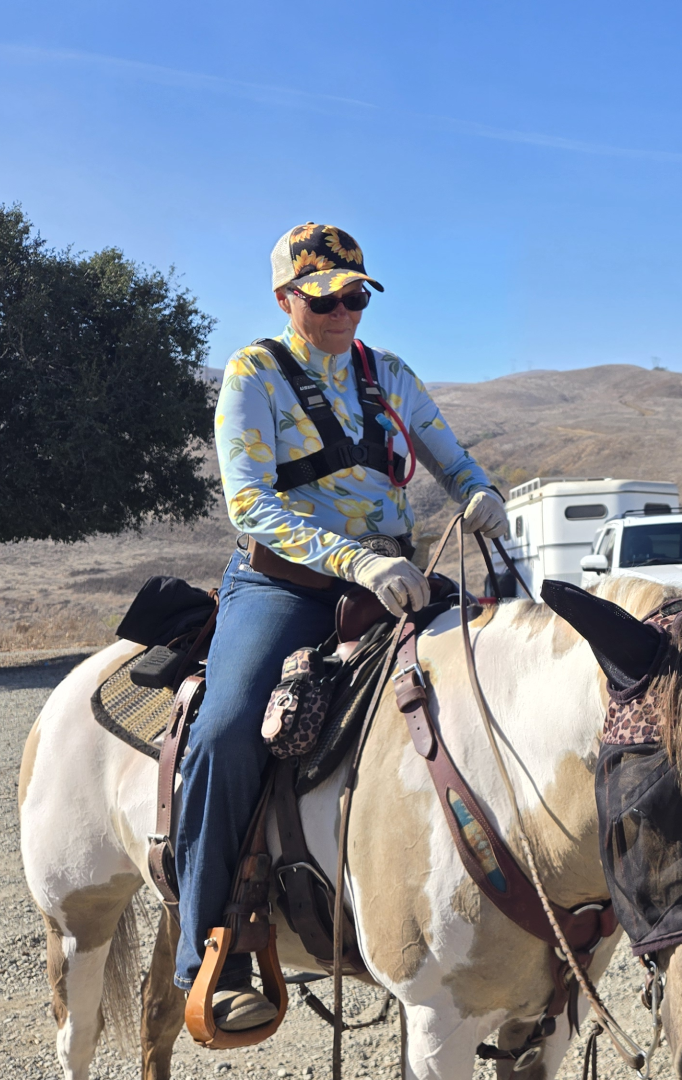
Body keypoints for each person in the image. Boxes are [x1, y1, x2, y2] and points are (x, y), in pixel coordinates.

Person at [181, 222, 509, 1027]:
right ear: (287, 298)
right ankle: (209, 950)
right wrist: (353, 561)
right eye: (326, 298)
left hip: (393, 578)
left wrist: (477, 491)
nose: (344, 311)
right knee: (226, 731)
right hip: (287, 584)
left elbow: (450, 455)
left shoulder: (389, 373)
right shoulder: (254, 372)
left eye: (357, 295)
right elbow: (249, 501)